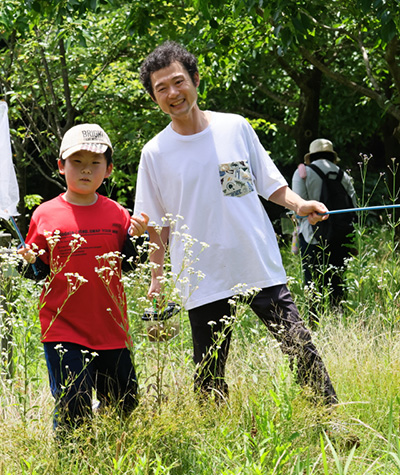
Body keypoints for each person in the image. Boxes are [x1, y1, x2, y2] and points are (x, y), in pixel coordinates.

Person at [134, 41, 338, 405]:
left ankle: (330, 417)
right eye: (161, 88)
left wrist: (300, 203)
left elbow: (269, 183)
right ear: (154, 98)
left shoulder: (235, 128)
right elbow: (157, 224)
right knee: (208, 370)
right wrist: (156, 278)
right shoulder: (155, 153)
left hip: (255, 260)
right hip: (201, 275)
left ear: (195, 80)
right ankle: (216, 436)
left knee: (299, 345)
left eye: (178, 82)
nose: (172, 93)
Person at [18, 124, 149, 434]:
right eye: (77, 162)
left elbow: (126, 265)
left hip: (111, 327)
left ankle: (106, 442)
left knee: (125, 400)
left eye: (95, 163)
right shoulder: (45, 214)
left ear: (109, 170)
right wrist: (28, 262)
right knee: (72, 402)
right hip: (63, 327)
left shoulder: (118, 213)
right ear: (62, 166)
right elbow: (37, 271)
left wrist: (138, 239)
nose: (86, 170)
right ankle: (70, 457)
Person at [292, 138, 357, 324]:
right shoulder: (343, 174)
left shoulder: (303, 172)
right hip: (340, 236)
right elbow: (354, 206)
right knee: (337, 281)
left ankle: (315, 324)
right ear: (332, 155)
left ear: (310, 156)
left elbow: (297, 209)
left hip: (312, 236)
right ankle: (339, 322)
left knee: (312, 283)